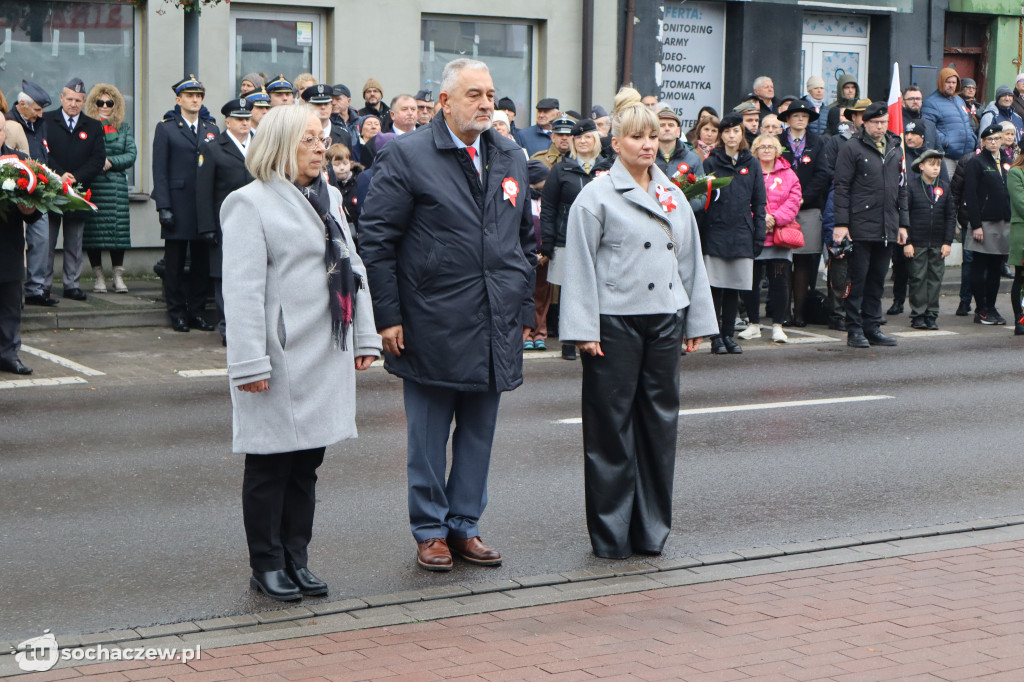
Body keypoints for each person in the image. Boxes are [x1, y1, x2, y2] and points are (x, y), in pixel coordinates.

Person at [359, 58, 536, 573]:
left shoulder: (509, 154)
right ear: (444, 102)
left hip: (495, 320)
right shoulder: (409, 155)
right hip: (430, 320)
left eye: (491, 94)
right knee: (429, 436)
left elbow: (523, 241)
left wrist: (523, 307)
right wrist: (387, 316)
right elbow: (377, 240)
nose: (486, 104)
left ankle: (464, 526)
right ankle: (430, 530)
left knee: (479, 433)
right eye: (475, 94)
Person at [220, 103, 380, 601]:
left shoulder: (327, 195)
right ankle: (266, 564)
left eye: (321, 138)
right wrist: (248, 363)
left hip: (325, 350)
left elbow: (353, 266)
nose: (319, 148)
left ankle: (296, 558)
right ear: (281, 146)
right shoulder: (249, 203)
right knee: (270, 465)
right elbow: (241, 292)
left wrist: (364, 336)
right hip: (279, 356)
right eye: (308, 140)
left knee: (307, 464)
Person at [558, 87, 716, 559]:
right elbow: (580, 266)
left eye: (652, 137)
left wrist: (695, 323)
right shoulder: (596, 196)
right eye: (636, 137)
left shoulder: (672, 195)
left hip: (664, 321)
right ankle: (610, 535)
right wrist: (583, 329)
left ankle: (650, 531)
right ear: (617, 143)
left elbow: (690, 261)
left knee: (658, 426)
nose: (647, 145)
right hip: (614, 323)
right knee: (610, 430)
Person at [833, 102, 908, 348]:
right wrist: (842, 223)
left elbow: (902, 187)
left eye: (884, 122)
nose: (880, 126)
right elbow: (841, 187)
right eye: (875, 122)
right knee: (858, 279)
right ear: (864, 122)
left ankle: (872, 326)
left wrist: (903, 224)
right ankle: (854, 329)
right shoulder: (852, 147)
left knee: (878, 278)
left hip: (887, 224)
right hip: (860, 223)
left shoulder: (896, 147)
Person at [152, 75, 219, 333]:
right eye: (190, 96)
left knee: (202, 263)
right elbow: (160, 170)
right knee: (175, 264)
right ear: (178, 99)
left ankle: (198, 311)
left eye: (199, 96)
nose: (195, 100)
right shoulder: (167, 128)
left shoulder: (211, 128)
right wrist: (163, 206)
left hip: (203, 207)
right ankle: (177, 312)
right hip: (178, 205)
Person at [700, 111, 766, 354]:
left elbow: (759, 203)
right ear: (721, 135)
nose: (731, 136)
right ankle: (715, 336)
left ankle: (729, 334)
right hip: (716, 232)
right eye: (726, 131)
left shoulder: (752, 163)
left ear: (742, 133)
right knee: (715, 288)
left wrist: (759, 234)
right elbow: (703, 201)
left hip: (741, 233)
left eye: (735, 131)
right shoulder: (711, 162)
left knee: (732, 288)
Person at [541, 118, 607, 360]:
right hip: (566, 239)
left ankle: (598, 336)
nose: (582, 141)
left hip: (601, 242)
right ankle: (569, 340)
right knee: (569, 292)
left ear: (596, 140)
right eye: (578, 138)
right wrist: (547, 242)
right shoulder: (562, 169)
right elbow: (548, 207)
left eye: (588, 136)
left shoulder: (608, 168)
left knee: (599, 290)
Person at [196, 99, 255, 346]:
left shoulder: (260, 145)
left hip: (255, 223)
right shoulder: (213, 148)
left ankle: (251, 328)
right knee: (224, 278)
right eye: (239, 119)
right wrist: (207, 226)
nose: (244, 123)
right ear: (227, 122)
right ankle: (228, 328)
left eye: (247, 119)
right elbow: (203, 190)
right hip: (226, 223)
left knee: (253, 277)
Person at [43, 77, 106, 302]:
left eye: (78, 100)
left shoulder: (93, 125)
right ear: (61, 98)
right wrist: (59, 175)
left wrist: (75, 178)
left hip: (79, 191)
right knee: (47, 242)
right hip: (51, 189)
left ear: (84, 101)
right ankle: (44, 284)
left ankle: (71, 284)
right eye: (69, 99)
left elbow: (98, 159)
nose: (73, 104)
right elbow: (43, 153)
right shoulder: (47, 121)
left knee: (74, 242)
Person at [739, 134, 801, 343]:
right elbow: (742, 197)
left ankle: (777, 325)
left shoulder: (789, 174)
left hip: (779, 238)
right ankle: (754, 324)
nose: (766, 150)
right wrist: (760, 219)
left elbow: (794, 199)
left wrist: (774, 219)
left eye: (770, 146)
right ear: (755, 151)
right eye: (762, 147)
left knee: (779, 283)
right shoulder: (747, 171)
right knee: (752, 282)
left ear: (777, 150)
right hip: (755, 236)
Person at [82, 83, 137, 294]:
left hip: (116, 189)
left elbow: (131, 154)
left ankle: (118, 276)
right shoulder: (87, 126)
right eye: (100, 102)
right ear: (94, 103)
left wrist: (111, 161)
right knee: (93, 235)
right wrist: (98, 162)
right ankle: (98, 277)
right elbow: (82, 154)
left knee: (118, 235)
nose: (105, 106)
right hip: (93, 185)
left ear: (116, 105)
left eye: (109, 102)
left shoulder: (123, 127)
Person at [776, 100, 826, 327]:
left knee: (805, 262)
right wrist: (787, 202)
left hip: (808, 208)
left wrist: (802, 197)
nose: (800, 119)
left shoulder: (818, 142)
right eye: (795, 115)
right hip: (781, 210)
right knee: (783, 263)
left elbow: (823, 174)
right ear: (787, 119)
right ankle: (783, 311)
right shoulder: (777, 142)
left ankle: (800, 313)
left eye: (804, 116)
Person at [8, 81, 56, 306]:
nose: (40, 114)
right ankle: (14, 291)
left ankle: (35, 289)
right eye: (36, 109)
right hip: (17, 194)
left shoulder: (40, 123)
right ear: (22, 105)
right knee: (16, 245)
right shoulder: (8, 124)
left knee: (41, 240)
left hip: (38, 191)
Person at [0, 124, 40, 375]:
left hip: (8, 246)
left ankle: (8, 354)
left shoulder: (19, 162)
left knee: (10, 306)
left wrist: (31, 209)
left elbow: (37, 206)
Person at [962, 124, 1012, 325]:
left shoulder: (1007, 161)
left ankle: (991, 307)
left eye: (997, 139)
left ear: (1002, 140)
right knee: (979, 267)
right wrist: (976, 225)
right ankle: (980, 308)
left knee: (995, 268)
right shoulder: (977, 162)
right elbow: (971, 195)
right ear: (983, 142)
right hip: (984, 223)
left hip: (1003, 223)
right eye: (989, 139)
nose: (993, 142)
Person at [903, 149, 955, 330]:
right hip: (917, 241)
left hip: (938, 242)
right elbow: (906, 215)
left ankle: (931, 314)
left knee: (935, 278)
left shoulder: (945, 187)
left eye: (938, 165)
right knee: (918, 278)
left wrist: (947, 242)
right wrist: (907, 241)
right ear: (921, 166)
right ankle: (918, 314)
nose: (936, 169)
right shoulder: (912, 187)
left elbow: (950, 216)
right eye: (932, 165)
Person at [922, 67, 978, 177]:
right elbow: (928, 128)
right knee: (947, 189)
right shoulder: (931, 102)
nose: (951, 85)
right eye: (948, 82)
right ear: (941, 82)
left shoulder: (959, 100)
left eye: (954, 82)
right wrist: (946, 142)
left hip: (966, 156)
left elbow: (967, 123)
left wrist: (973, 138)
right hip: (948, 157)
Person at [524, 159, 551, 351]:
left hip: (545, 257)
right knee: (526, 295)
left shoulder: (547, 199)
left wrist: (546, 252)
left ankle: (540, 333)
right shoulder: (522, 199)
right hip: (525, 256)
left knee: (542, 296)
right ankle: (527, 333)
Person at [325, 143, 362, 231]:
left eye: (345, 163)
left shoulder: (358, 183)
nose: (342, 168)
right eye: (337, 164)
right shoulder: (328, 187)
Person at [1008, 148, 1024, 334]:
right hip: (1022, 231)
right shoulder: (1015, 172)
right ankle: (1019, 319)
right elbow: (1020, 202)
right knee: (1020, 277)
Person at [902, 86, 940, 151]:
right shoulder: (898, 124)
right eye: (911, 99)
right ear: (903, 102)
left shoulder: (930, 125)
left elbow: (939, 150)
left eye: (918, 99)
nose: (915, 101)